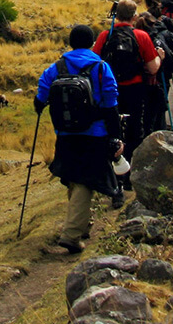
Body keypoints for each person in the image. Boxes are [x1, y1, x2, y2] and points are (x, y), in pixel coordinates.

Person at [35, 25, 123, 253]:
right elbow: (111, 104)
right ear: (93, 43)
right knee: (85, 181)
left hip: (65, 133)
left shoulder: (56, 68)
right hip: (94, 133)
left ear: (71, 43)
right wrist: (116, 136)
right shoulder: (102, 68)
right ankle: (72, 235)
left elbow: (40, 99)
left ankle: (82, 225)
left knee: (74, 177)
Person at [92, 0, 161, 207]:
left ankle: (114, 178)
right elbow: (152, 67)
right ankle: (131, 175)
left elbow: (95, 63)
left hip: (110, 90)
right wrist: (160, 57)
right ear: (134, 17)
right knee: (134, 129)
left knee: (113, 131)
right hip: (135, 88)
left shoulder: (106, 36)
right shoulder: (141, 36)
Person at [135, 12, 173, 134]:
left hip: (135, 85)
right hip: (158, 83)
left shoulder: (132, 37)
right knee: (157, 117)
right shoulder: (159, 36)